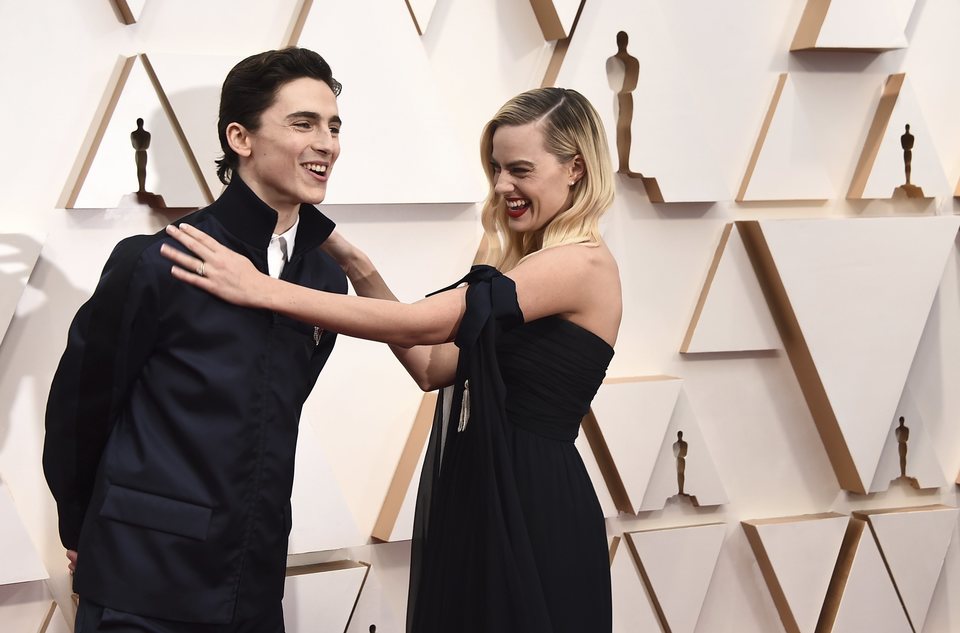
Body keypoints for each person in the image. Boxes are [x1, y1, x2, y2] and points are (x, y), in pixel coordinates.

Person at [161, 87, 621, 633]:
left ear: (576, 168)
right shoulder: (529, 264)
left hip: (535, 503)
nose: (502, 187)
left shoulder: (579, 265)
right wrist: (358, 266)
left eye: (520, 169)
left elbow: (424, 323)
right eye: (496, 168)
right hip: (485, 492)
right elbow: (433, 367)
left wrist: (260, 288)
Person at [43, 47, 347, 632]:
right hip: (142, 578)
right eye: (303, 123)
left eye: (333, 126)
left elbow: (278, 412)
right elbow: (80, 410)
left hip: (254, 584)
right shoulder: (158, 260)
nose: (327, 143)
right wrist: (81, 528)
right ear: (241, 137)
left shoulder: (324, 281)